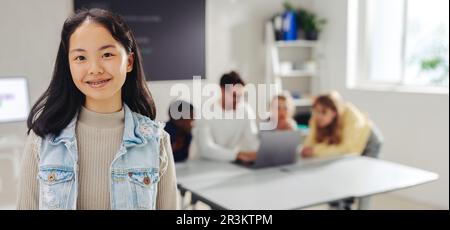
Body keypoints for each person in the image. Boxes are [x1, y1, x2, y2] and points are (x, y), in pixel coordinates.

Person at [16, 9, 177, 210]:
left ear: (129, 62)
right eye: (81, 58)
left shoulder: (156, 140)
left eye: (107, 54)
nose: (95, 69)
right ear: (69, 65)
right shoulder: (42, 140)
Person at [301, 91, 383, 210]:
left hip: (368, 142)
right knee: (336, 176)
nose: (318, 116)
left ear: (334, 112)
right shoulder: (317, 118)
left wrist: (315, 151)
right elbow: (309, 144)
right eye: (316, 111)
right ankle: (341, 206)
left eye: (323, 112)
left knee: (365, 183)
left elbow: (347, 149)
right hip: (344, 145)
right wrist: (310, 149)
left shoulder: (353, 117)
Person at [192, 71, 259, 163]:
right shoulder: (205, 110)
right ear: (222, 90)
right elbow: (206, 149)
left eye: (241, 96)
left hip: (231, 164)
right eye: (234, 96)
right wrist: (237, 155)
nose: (238, 100)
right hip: (205, 165)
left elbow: (253, 142)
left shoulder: (245, 110)